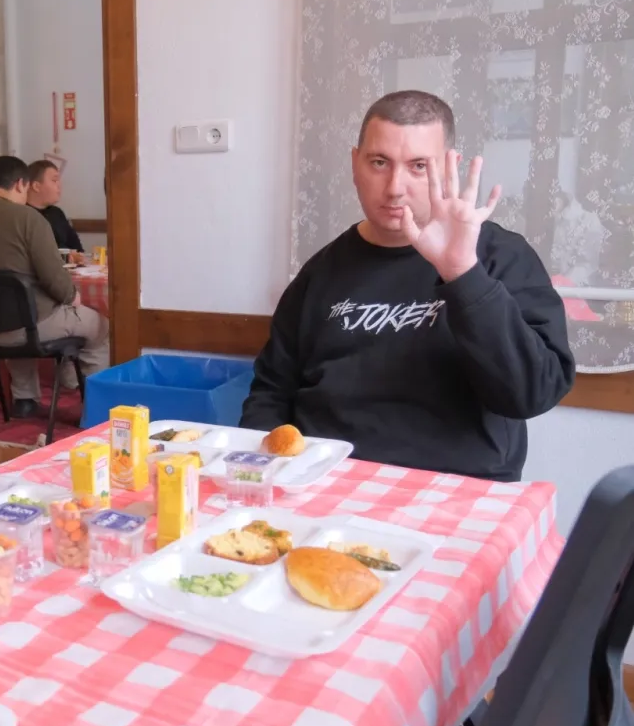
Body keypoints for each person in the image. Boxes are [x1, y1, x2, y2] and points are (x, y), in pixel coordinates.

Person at [240, 91, 574, 482]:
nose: (395, 187)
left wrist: (463, 275)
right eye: (379, 162)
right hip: (325, 480)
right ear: (355, 164)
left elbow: (533, 394)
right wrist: (262, 475)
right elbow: (271, 393)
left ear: (448, 168)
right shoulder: (319, 273)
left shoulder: (501, 256)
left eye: (418, 166)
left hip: (458, 488)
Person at [0, 155, 110, 419]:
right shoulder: (28, 219)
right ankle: (96, 405)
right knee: (100, 325)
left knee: (15, 312)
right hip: (27, 328)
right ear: (21, 184)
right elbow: (55, 279)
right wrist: (72, 296)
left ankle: (24, 399)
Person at [26, 159, 82, 253]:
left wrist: (77, 256)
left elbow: (78, 249)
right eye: (54, 180)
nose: (59, 185)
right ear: (36, 186)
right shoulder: (22, 215)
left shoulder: (57, 213)